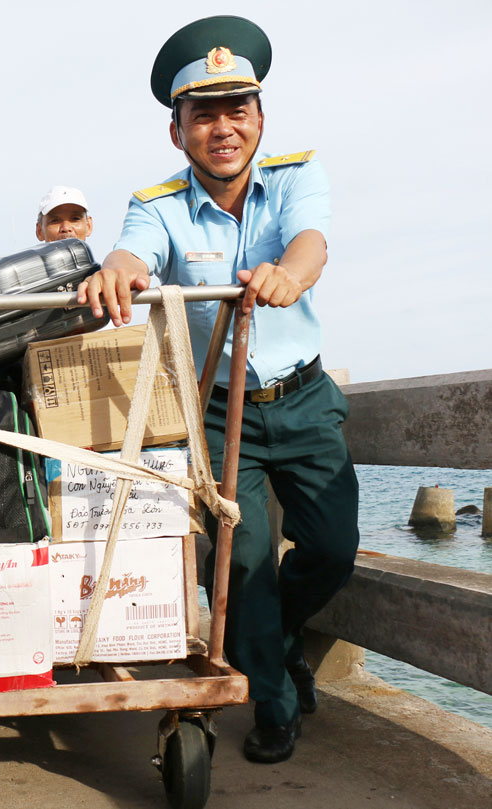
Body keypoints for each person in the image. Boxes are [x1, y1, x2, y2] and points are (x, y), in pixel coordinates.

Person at [78, 15, 359, 764]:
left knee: (333, 547)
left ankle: (284, 637)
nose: (224, 128)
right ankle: (274, 701)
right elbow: (133, 250)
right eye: (204, 115)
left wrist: (289, 276)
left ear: (260, 118)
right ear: (178, 132)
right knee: (239, 563)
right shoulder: (159, 200)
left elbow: (310, 242)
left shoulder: (298, 175)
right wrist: (118, 270)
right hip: (215, 413)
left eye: (238, 110)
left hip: (301, 398)